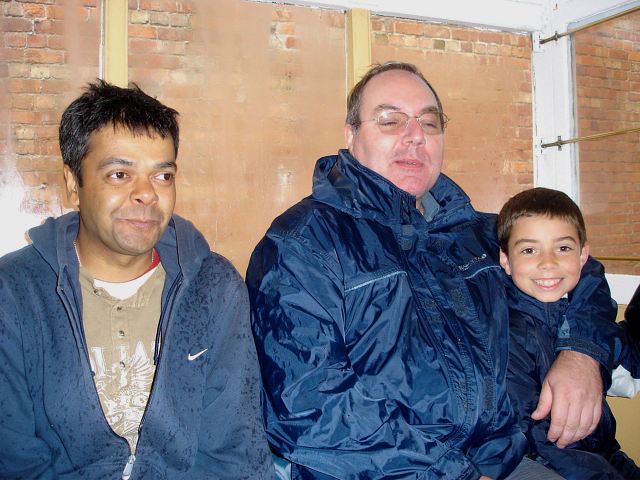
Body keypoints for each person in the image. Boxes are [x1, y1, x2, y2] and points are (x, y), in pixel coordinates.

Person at [246, 61, 622, 479]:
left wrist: (581, 353)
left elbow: (582, 270)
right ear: (351, 135)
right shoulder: (303, 244)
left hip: (512, 453)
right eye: (391, 121)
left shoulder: (479, 234)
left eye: (429, 122)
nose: (415, 136)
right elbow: (308, 404)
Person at [0, 80, 274, 479]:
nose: (147, 194)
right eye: (119, 174)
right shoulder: (15, 292)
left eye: (163, 176)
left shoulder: (213, 287)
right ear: (74, 184)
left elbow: (236, 451)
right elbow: (15, 459)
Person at [498, 187, 640, 479]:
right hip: (561, 463)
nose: (548, 263)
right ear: (506, 261)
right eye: (529, 250)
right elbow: (539, 439)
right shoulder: (507, 334)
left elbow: (627, 360)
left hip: (606, 453)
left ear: (583, 254)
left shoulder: (584, 315)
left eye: (563, 248)